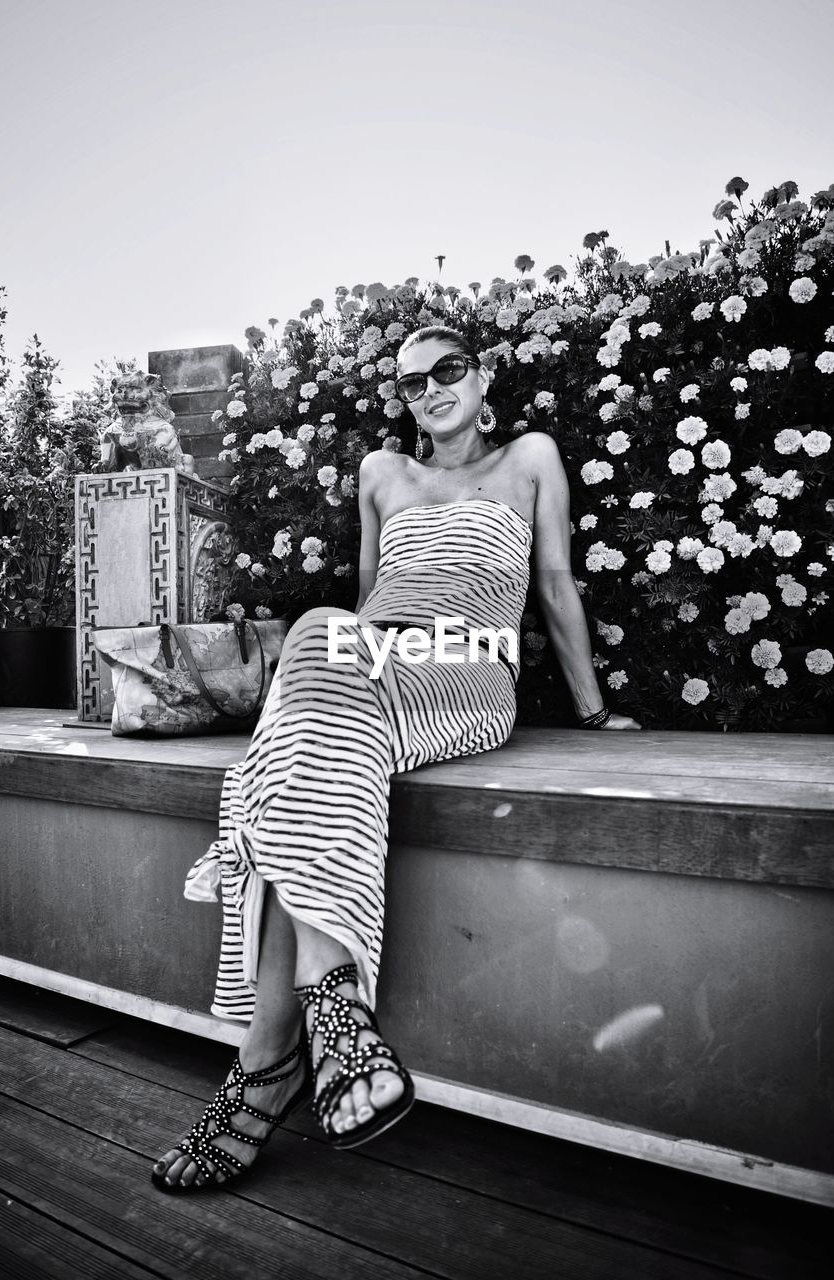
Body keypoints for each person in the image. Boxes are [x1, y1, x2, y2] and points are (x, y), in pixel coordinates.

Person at [151, 324, 641, 1194]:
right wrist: (348, 655)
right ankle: (329, 1011)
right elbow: (373, 601)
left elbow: (558, 587)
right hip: (372, 664)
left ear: (482, 377)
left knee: (306, 667)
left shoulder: (529, 458)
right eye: (413, 382)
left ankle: (265, 1066)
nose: (432, 389)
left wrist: (595, 714)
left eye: (448, 370)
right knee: (323, 634)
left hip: (464, 668)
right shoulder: (384, 474)